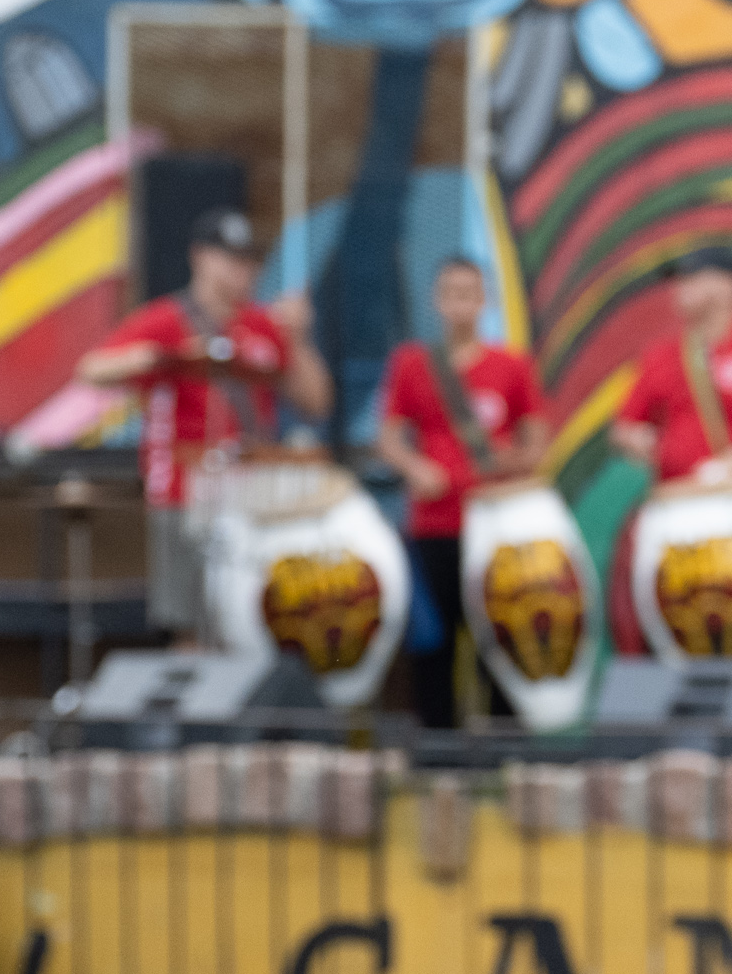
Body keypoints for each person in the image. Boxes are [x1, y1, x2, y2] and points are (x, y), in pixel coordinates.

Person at [78, 208, 331, 640]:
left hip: (251, 493)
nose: (240, 270)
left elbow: (316, 403)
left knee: (254, 622)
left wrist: (299, 338)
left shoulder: (262, 324)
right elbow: (92, 369)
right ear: (200, 257)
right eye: (229, 258)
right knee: (190, 624)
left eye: (247, 260)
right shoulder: (166, 320)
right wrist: (161, 357)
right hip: (184, 492)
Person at [375, 254, 546, 729]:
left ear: (484, 300)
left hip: (496, 527)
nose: (460, 304)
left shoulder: (511, 366)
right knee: (435, 645)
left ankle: (503, 745)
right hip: (434, 525)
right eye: (451, 294)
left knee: (501, 640)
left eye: (469, 294)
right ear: (436, 300)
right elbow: (388, 438)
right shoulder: (412, 364)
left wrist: (506, 462)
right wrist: (415, 467)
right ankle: (437, 749)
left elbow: (536, 444)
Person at [608, 245, 732, 484]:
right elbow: (623, 427)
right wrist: (635, 439)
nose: (679, 287)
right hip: (679, 490)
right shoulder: (661, 355)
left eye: (691, 277)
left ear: (728, 285)